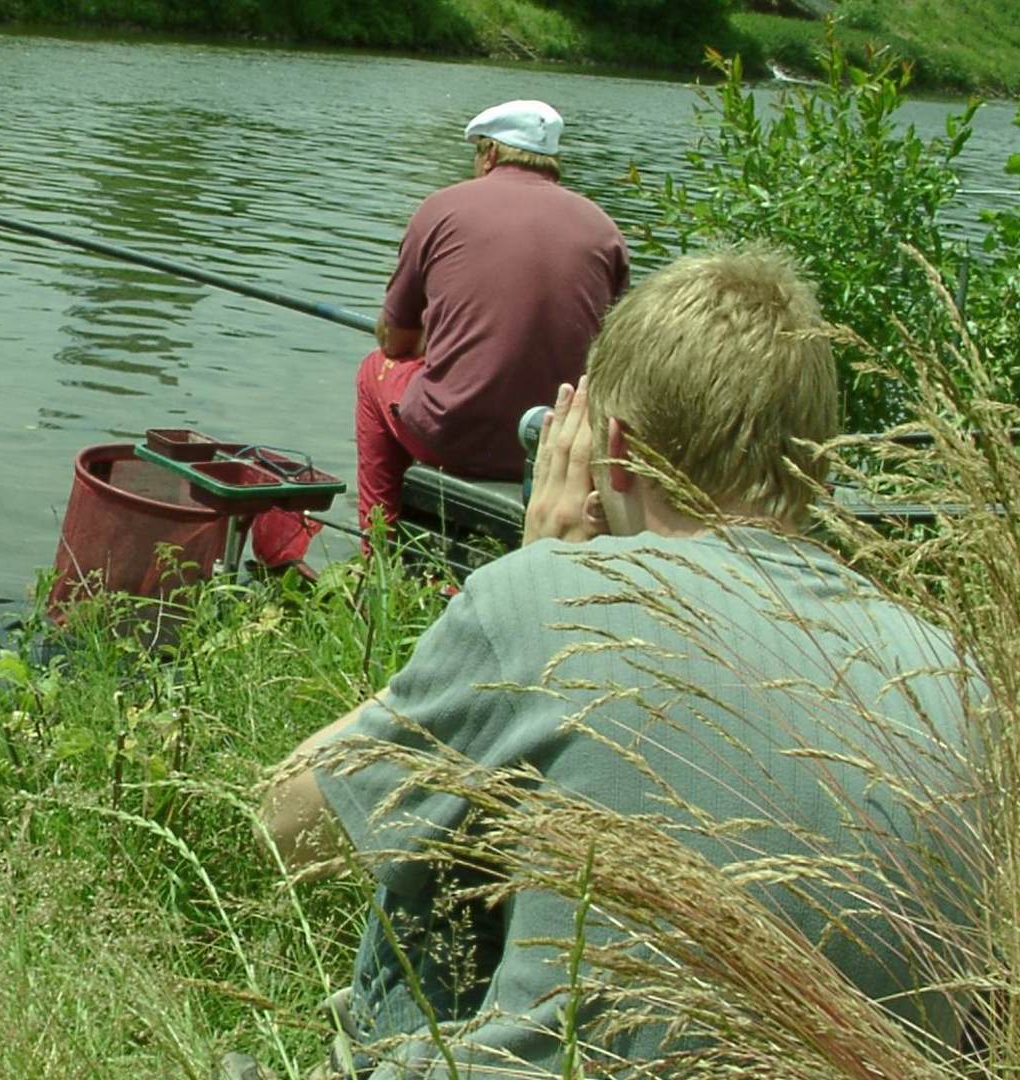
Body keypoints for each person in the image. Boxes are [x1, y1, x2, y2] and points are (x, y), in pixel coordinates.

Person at [243, 248, 977, 1076]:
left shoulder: (545, 600)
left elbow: (287, 826)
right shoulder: (956, 673)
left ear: (614, 447)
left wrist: (523, 579)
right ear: (821, 466)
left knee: (444, 829)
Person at [357, 99, 629, 533]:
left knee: (375, 372)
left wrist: (435, 341)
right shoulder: (604, 229)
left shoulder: (441, 208)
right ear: (551, 159)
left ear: (489, 154)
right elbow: (611, 359)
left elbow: (394, 341)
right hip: (551, 443)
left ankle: (379, 552)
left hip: (453, 436)